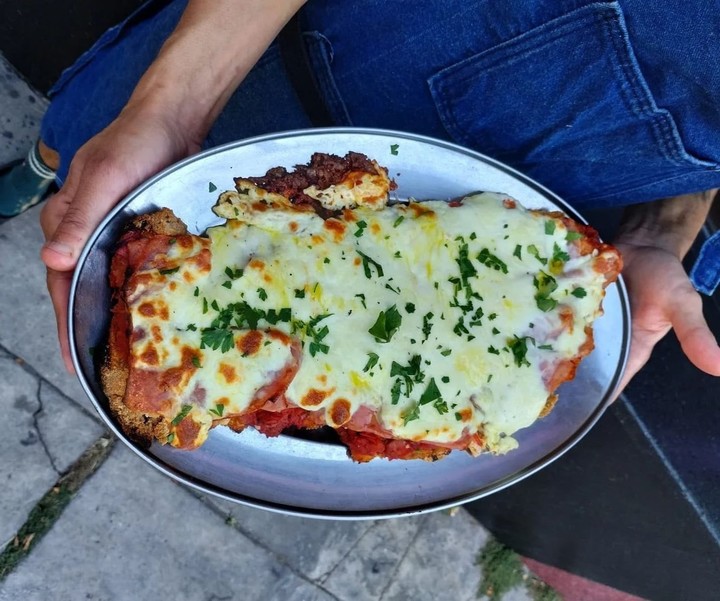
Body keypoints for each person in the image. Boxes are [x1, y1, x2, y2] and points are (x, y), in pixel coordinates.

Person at [11, 0, 720, 389]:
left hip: (500, 252)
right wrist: (172, 101)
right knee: (85, 132)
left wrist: (664, 228)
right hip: (279, 47)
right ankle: (42, 165)